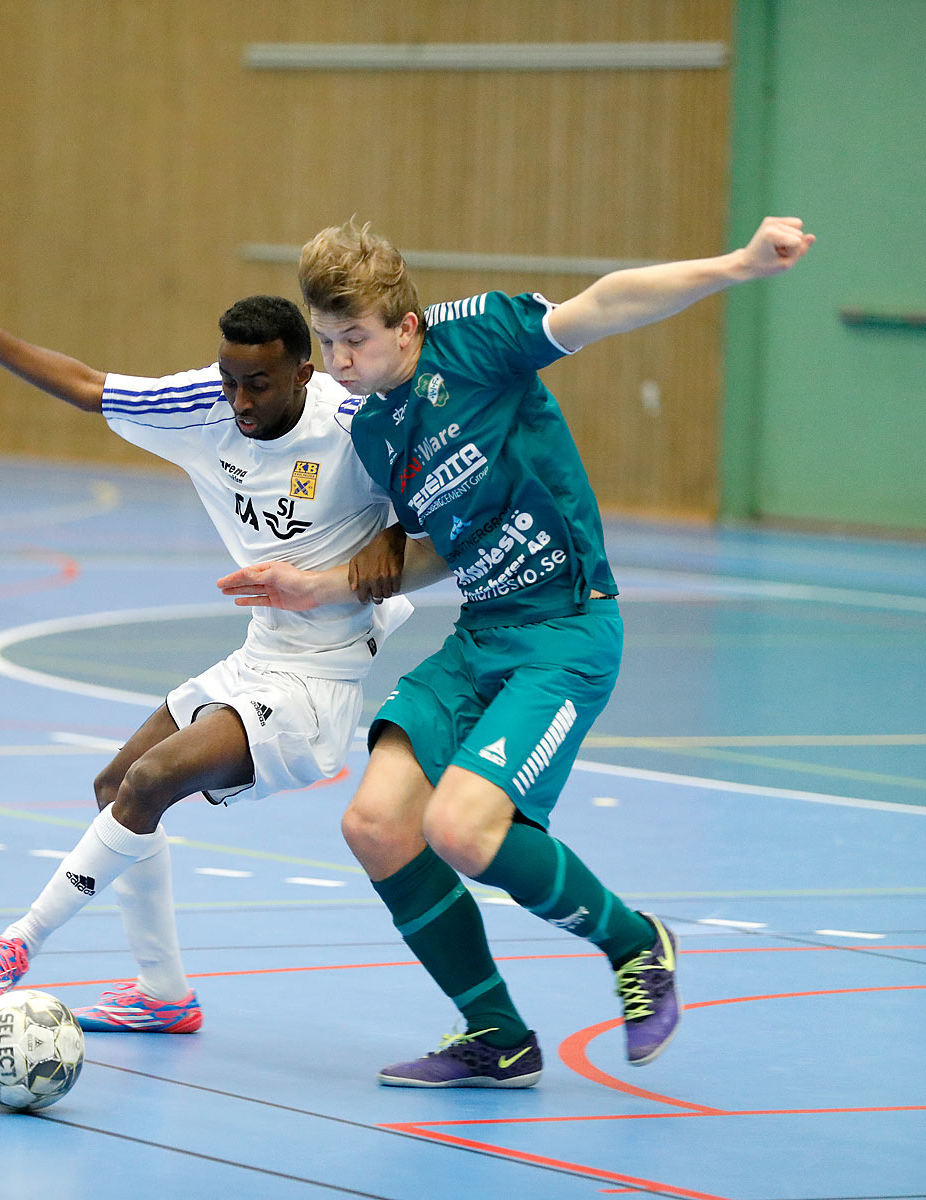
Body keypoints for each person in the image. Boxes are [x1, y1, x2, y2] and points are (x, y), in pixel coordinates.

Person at [219, 216, 814, 1086]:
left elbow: (604, 305)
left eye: (355, 339)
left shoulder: (480, 340)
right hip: (480, 635)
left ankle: (636, 942)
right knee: (377, 824)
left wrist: (738, 264)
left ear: (405, 327)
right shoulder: (378, 430)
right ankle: (496, 1036)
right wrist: (319, 585)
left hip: (566, 632)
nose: (340, 361)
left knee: (461, 827)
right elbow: (434, 549)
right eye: (327, 342)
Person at [0, 264, 410, 1032]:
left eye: (259, 384)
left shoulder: (358, 427)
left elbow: (441, 510)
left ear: (305, 371)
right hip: (258, 656)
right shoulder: (206, 405)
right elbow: (86, 383)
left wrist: (394, 544)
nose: (239, 401)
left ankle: (18, 941)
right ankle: (164, 994)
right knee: (116, 788)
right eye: (231, 380)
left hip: (318, 685)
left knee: (151, 779)